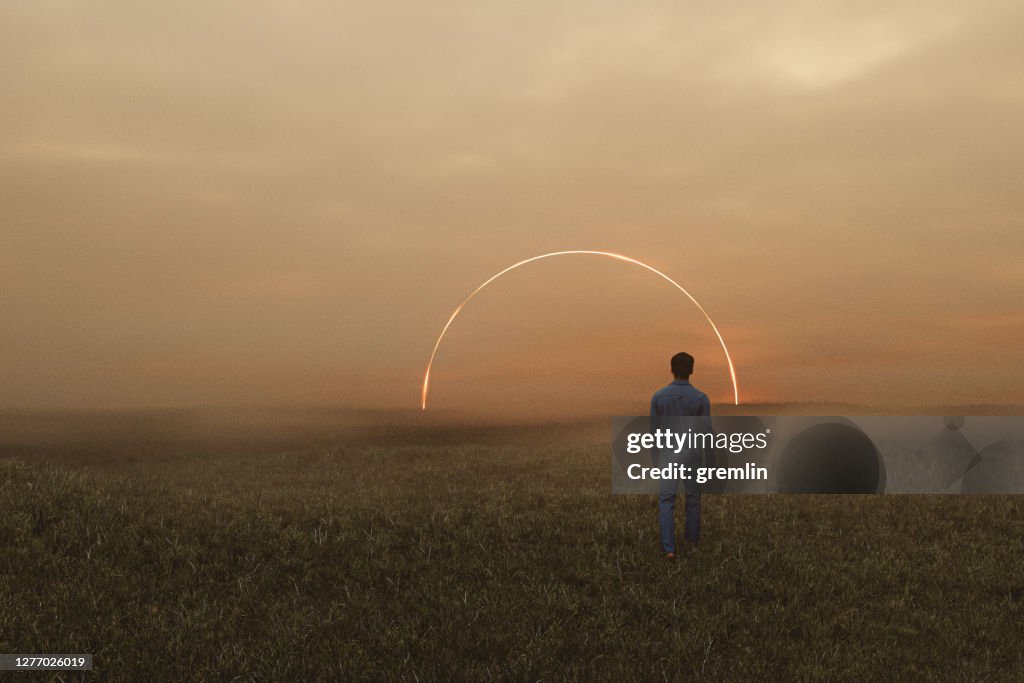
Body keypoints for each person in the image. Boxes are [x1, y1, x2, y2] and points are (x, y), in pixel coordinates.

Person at [650, 352, 713, 559]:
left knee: (667, 501)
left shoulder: (659, 397)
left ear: (671, 369)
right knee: (693, 499)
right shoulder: (701, 398)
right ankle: (692, 543)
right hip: (693, 455)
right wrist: (710, 461)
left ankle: (669, 549)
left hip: (668, 456)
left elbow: (654, 431)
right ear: (692, 370)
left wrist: (655, 458)